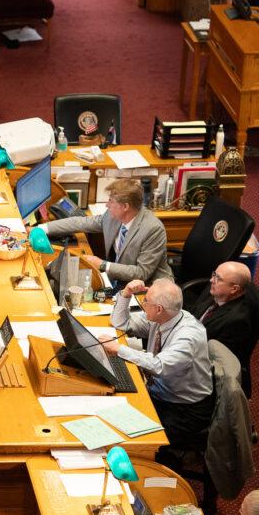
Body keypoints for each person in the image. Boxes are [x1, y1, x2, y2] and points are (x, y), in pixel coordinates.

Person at [103, 278, 213, 451]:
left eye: (145, 301)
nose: (142, 303)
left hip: (183, 408)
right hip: (160, 392)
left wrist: (118, 349)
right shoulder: (164, 318)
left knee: (137, 441)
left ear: (159, 309)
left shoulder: (188, 336)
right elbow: (120, 323)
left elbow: (158, 366)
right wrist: (126, 294)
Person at [39, 178, 173, 287]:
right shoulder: (112, 216)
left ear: (125, 206)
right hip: (119, 281)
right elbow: (82, 222)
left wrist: (102, 265)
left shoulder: (153, 229)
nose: (107, 205)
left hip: (150, 289)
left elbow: (141, 273)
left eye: (110, 201)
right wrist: (43, 228)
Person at [189, 261, 259, 398]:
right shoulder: (218, 290)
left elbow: (211, 361)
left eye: (217, 278)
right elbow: (195, 312)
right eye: (214, 274)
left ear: (234, 289)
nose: (211, 280)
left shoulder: (236, 322)